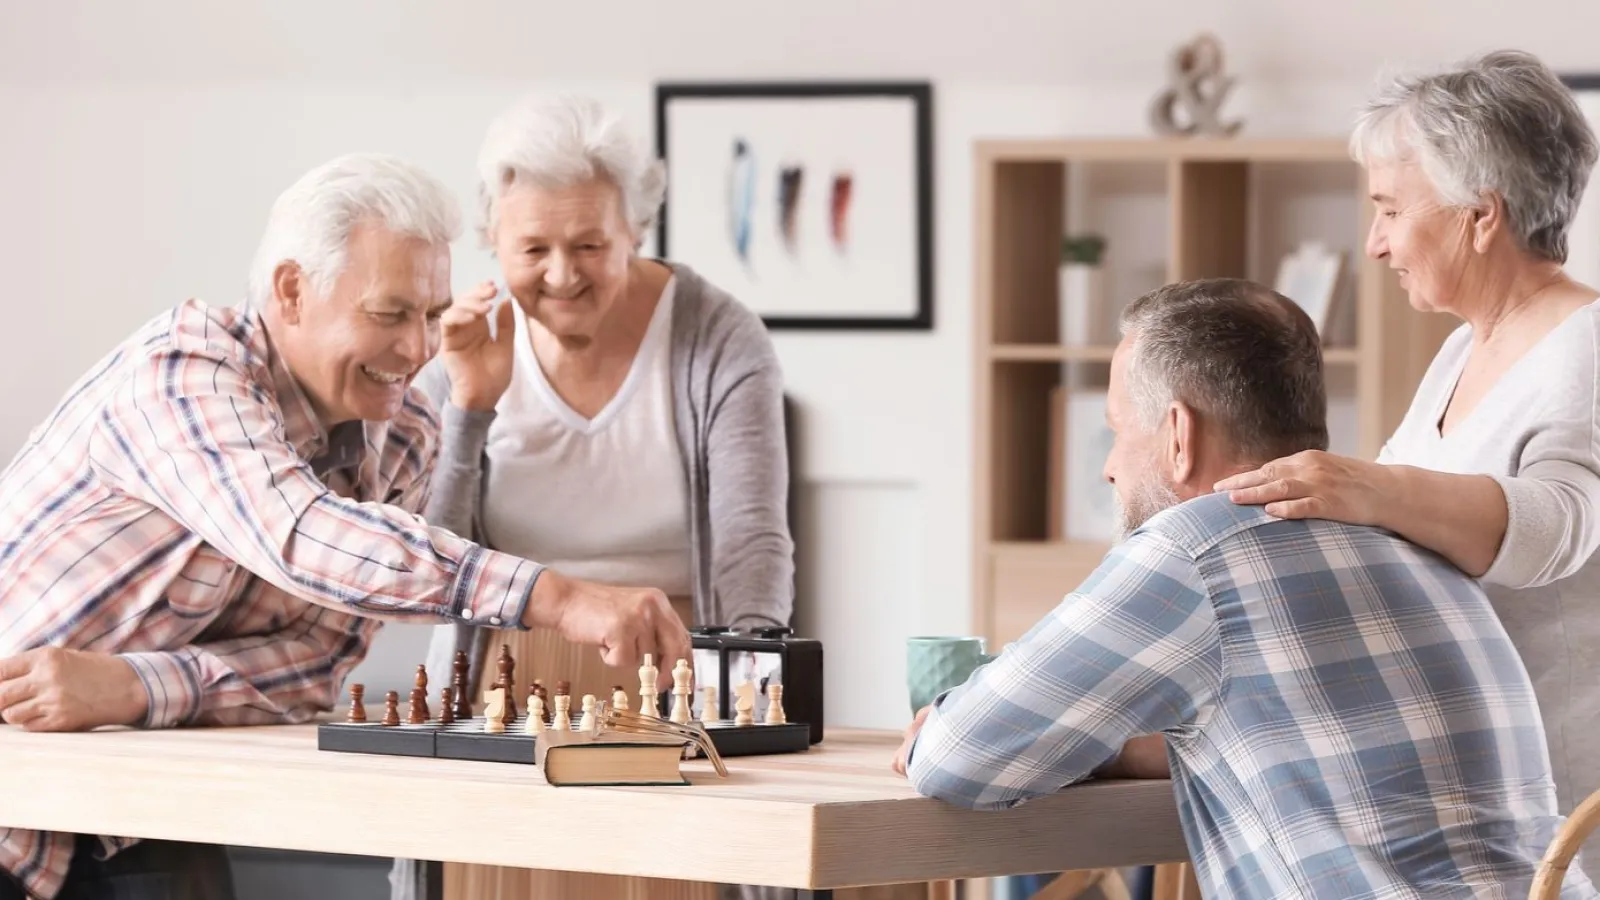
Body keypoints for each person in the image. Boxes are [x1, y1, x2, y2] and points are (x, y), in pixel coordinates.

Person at [0, 152, 690, 900]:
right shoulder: (182, 373)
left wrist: (132, 687)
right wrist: (556, 598)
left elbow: (316, 661)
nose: (419, 350)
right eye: (391, 314)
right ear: (293, 291)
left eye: (431, 316)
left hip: (132, 800)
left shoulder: (405, 436)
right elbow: (299, 535)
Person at [894, 278, 1595, 899]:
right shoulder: (1420, 541)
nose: (1109, 467)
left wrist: (949, 725)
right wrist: (1117, 746)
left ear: (1178, 434)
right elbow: (1302, 737)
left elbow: (960, 760)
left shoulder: (1193, 551)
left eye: (1116, 431)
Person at [389, 94, 795, 900]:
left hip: (677, 682)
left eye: (589, 244)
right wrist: (470, 406)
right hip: (507, 698)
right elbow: (428, 569)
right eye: (532, 247)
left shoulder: (717, 337)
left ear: (636, 230)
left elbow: (753, 541)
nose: (562, 274)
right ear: (492, 242)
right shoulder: (459, 349)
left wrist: (747, 703)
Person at [1214, 48, 1600, 883]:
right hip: (1464, 798)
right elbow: (1382, 539)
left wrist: (1369, 486)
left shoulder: (1588, 346)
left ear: (1480, 215)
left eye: (1390, 208)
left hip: (1562, 820)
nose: (1375, 242)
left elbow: (1556, 529)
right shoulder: (1465, 347)